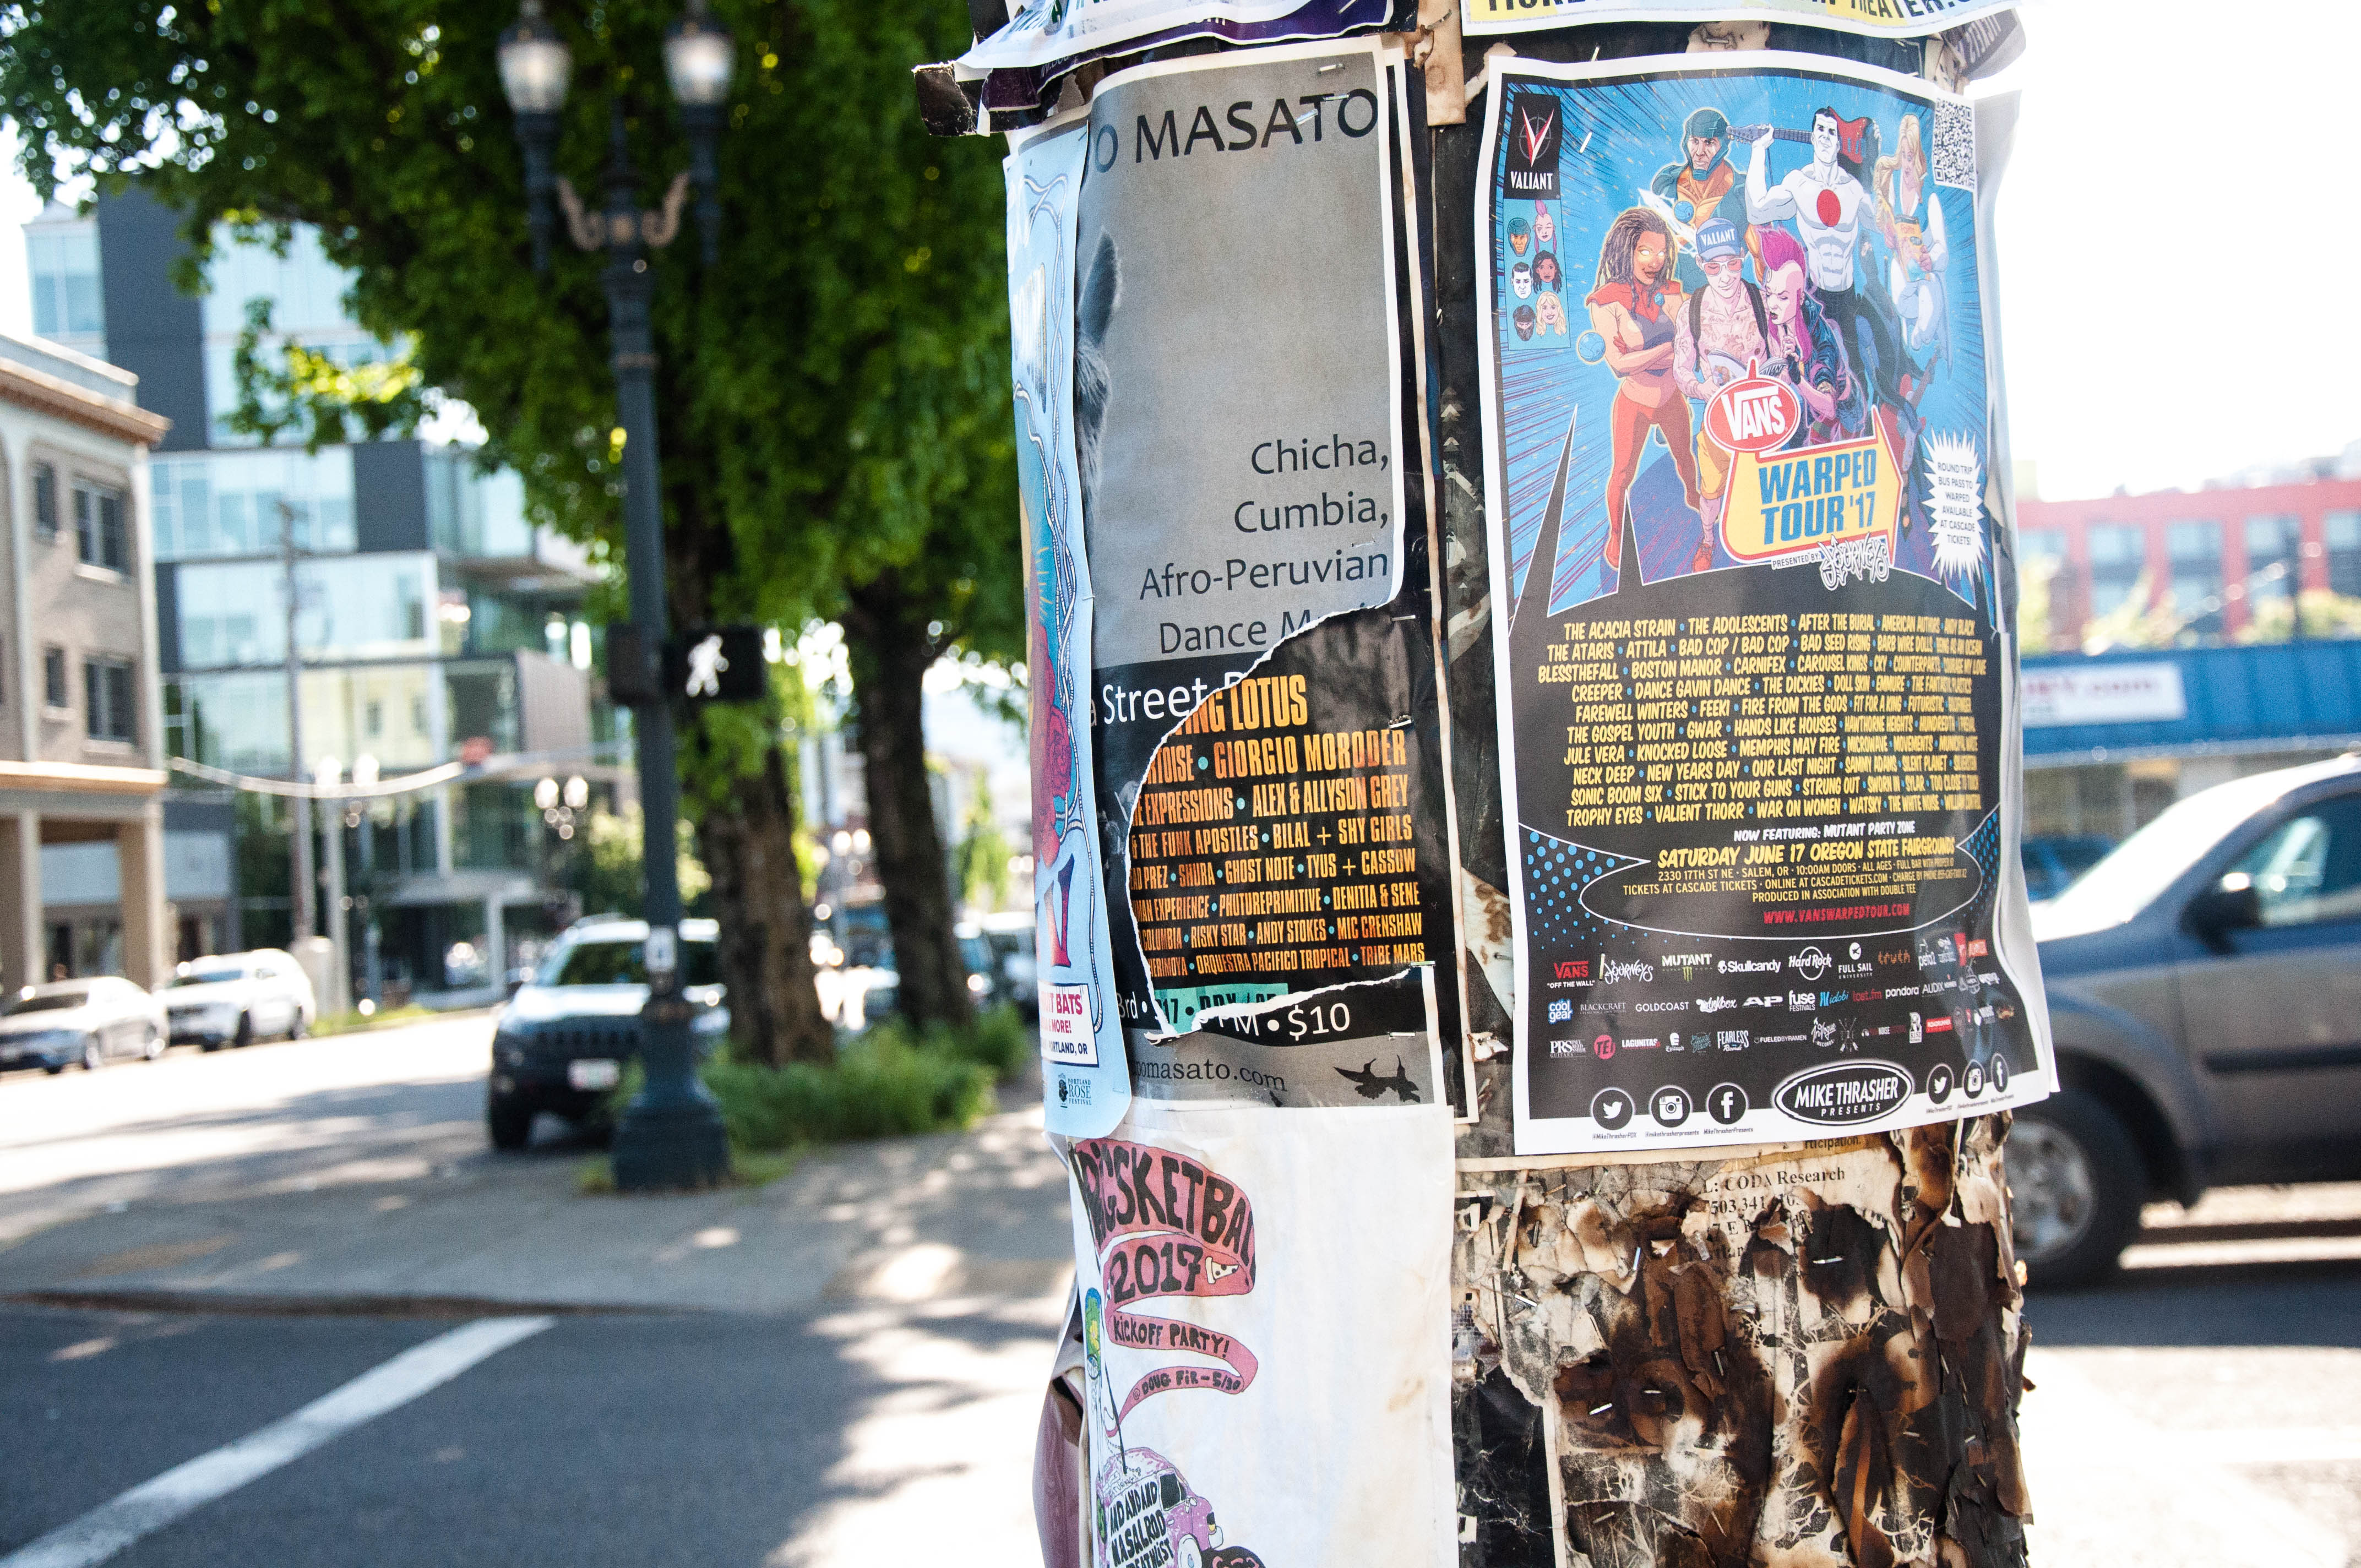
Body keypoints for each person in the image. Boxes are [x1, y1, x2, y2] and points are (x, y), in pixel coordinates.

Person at [1743, 107, 1910, 411]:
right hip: (1815, 297)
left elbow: (1883, 222)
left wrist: (1880, 166)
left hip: (1847, 296)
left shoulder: (1853, 189)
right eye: (1819, 129)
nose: (1824, 137)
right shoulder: (1799, 183)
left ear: (1839, 142)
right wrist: (1758, 150)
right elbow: (1757, 210)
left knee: (1857, 372)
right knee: (1815, 372)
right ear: (1811, 136)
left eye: (1831, 132)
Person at [1586, 207, 1702, 574]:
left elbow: (1692, 340)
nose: (1656, 261)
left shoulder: (1672, 292)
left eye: (1662, 252)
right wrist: (1668, 348)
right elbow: (1619, 365)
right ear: (1628, 251)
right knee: (1622, 473)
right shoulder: (1606, 301)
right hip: (1634, 402)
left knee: (1685, 459)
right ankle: (1616, 536)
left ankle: (1696, 498)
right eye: (1646, 251)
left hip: (1671, 398)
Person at [1673, 217, 1770, 537]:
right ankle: (1708, 540)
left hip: (1763, 419)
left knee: (1763, 487)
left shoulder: (1763, 301)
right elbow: (1681, 369)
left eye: (1733, 264)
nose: (1726, 276)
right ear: (1701, 264)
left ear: (1743, 257)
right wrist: (1702, 388)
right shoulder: (1692, 310)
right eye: (1714, 267)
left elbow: (1783, 353)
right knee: (1711, 490)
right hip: (1718, 421)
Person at [1756, 225, 1865, 443]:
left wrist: (1798, 379)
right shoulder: (1775, 317)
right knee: (1813, 443)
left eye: (1783, 297)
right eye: (1770, 294)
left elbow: (1829, 407)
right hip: (1813, 409)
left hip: (1845, 406)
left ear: (1801, 298)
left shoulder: (1821, 340)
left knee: (1844, 449)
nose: (1773, 304)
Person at [1651, 106, 1752, 291]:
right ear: (1686, 141)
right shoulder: (1666, 183)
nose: (1699, 152)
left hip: (1721, 297)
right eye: (1695, 141)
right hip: (1669, 296)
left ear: (1723, 145)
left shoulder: (1742, 193)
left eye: (1709, 142)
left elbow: (1764, 257)